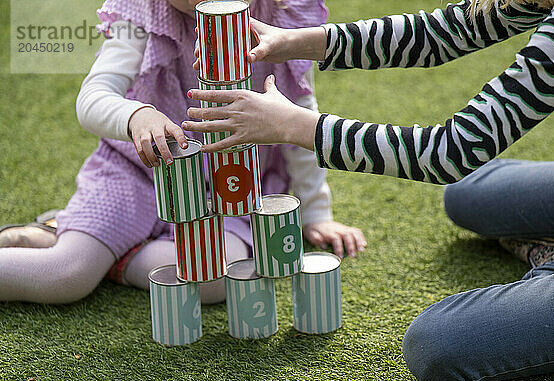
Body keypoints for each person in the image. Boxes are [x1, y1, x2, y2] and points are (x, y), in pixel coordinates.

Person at [183, 0, 554, 381]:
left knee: (435, 343)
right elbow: (447, 31)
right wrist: (292, 42)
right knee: (466, 195)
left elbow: (452, 151)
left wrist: (295, 126)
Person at [0, 0, 366, 305]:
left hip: (232, 186)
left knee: (216, 277)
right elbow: (93, 97)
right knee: (66, 276)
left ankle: (99, 246)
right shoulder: (143, 13)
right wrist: (136, 115)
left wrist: (316, 213)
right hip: (139, 174)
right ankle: (82, 240)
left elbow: (298, 114)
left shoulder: (282, 15)